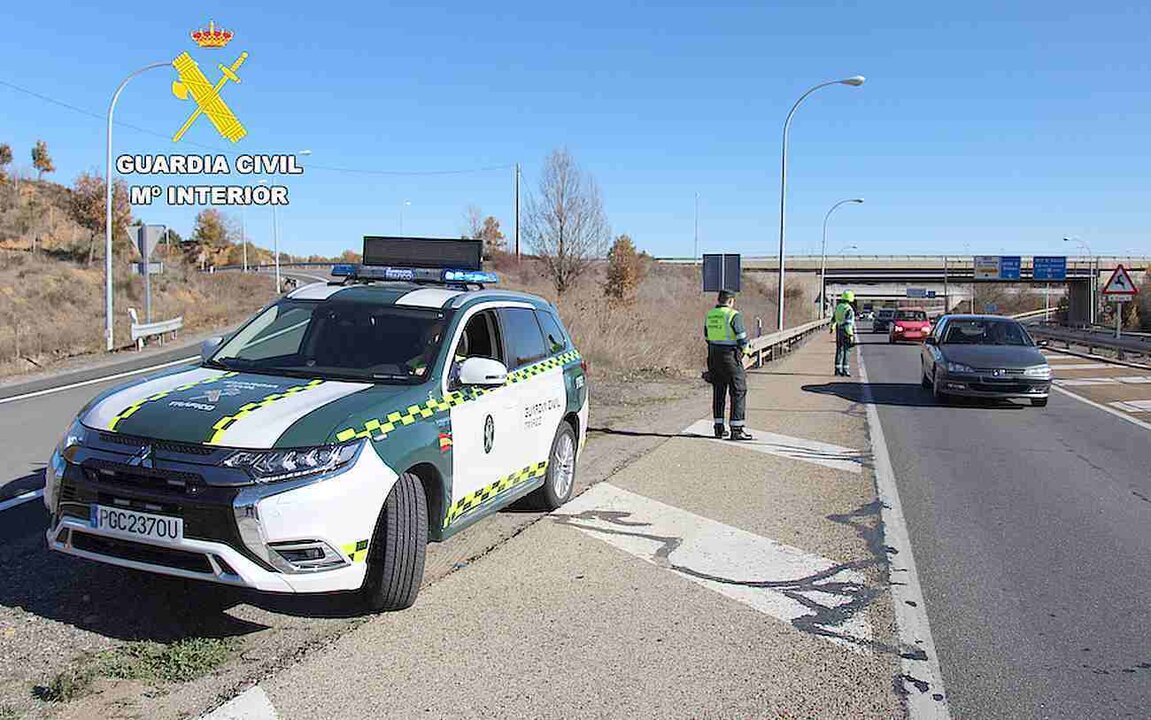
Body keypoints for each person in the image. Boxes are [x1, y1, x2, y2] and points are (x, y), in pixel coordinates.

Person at [704, 289, 753, 441]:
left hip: (713, 355)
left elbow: (706, 335)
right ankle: (736, 430)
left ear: (719, 300)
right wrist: (746, 352)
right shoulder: (733, 315)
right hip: (729, 356)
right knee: (738, 390)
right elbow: (742, 337)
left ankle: (718, 428)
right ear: (731, 301)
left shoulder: (710, 314)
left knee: (719, 391)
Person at [833, 290, 857, 376]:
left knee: (839, 349)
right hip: (846, 331)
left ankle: (837, 369)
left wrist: (832, 327)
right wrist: (850, 335)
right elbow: (848, 323)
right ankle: (845, 370)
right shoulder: (848, 309)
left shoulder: (838, 307)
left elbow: (834, 319)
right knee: (847, 350)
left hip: (838, 330)